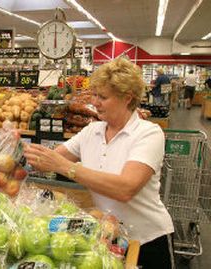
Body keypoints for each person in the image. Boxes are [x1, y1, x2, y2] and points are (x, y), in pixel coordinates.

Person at [24, 57, 174, 269]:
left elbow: (125, 189)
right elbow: (49, 160)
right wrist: (18, 152)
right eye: (94, 94)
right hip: (109, 239)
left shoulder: (148, 134)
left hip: (147, 240)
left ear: (127, 98)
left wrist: (64, 167)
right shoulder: (91, 131)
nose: (94, 102)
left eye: (102, 97)